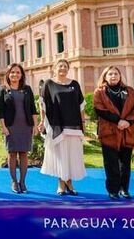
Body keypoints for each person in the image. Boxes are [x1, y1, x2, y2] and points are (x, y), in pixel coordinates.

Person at [37, 59, 86, 195]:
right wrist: (42, 121)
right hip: (57, 125)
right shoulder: (48, 84)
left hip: (74, 125)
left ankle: (70, 182)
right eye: (60, 66)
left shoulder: (75, 84)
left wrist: (83, 123)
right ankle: (61, 183)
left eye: (65, 66)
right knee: (61, 155)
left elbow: (81, 105)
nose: (63, 68)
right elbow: (43, 104)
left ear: (68, 68)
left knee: (71, 154)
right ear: (54, 68)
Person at [93, 66, 134, 199]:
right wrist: (118, 121)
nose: (113, 76)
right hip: (109, 133)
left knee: (125, 164)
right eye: (110, 74)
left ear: (120, 76)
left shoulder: (129, 91)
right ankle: (113, 190)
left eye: (116, 74)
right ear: (105, 77)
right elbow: (99, 109)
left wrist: (128, 121)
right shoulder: (99, 92)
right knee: (111, 163)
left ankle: (124, 189)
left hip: (128, 132)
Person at [0, 63, 38, 194]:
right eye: (12, 72)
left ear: (22, 75)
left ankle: (23, 182)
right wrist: (3, 127)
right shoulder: (3, 89)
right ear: (8, 74)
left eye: (18, 72)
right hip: (10, 126)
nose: (15, 75)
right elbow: (0, 111)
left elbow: (33, 108)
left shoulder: (27, 89)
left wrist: (35, 125)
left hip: (25, 125)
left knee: (24, 153)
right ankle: (14, 181)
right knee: (12, 153)